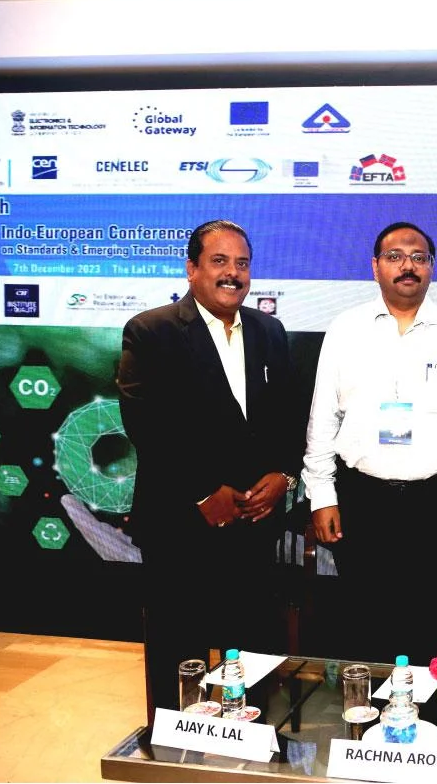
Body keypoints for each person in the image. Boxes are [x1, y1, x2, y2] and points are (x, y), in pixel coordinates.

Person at [118, 219, 303, 723]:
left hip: (255, 523)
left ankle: (254, 737)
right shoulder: (151, 330)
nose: (232, 274)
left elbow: (289, 415)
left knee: (254, 648)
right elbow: (144, 423)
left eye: (242, 264)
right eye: (219, 261)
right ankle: (176, 744)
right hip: (181, 523)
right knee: (180, 649)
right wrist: (202, 492)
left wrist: (283, 475)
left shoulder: (269, 331)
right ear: (192, 268)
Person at [302, 221, 437, 664]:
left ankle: (426, 709)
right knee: (365, 624)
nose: (407, 266)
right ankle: (368, 707)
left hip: (436, 501)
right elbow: (323, 418)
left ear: (432, 268)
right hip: (361, 500)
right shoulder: (346, 329)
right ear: (375, 267)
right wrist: (322, 495)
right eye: (395, 257)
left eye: (418, 257)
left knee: (431, 625)